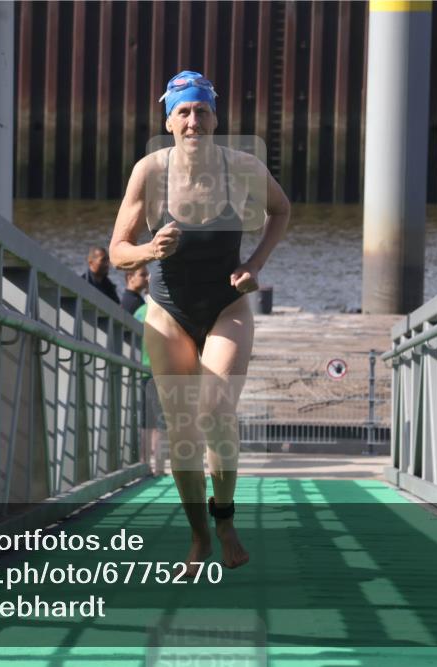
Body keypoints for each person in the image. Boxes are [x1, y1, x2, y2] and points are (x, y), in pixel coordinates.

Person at [108, 70, 290, 572]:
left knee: (214, 411)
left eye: (201, 111)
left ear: (216, 117)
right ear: (169, 121)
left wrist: (254, 265)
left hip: (226, 307)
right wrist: (148, 249)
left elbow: (282, 210)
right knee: (182, 430)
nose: (193, 121)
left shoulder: (244, 168)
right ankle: (199, 537)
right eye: (183, 112)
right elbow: (117, 250)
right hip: (168, 312)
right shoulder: (149, 172)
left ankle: (225, 519)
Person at [133, 295, 166, 475]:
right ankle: (159, 467)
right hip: (162, 371)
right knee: (162, 422)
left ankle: (144, 464)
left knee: (146, 422)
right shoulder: (165, 311)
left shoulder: (139, 312)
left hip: (142, 369)